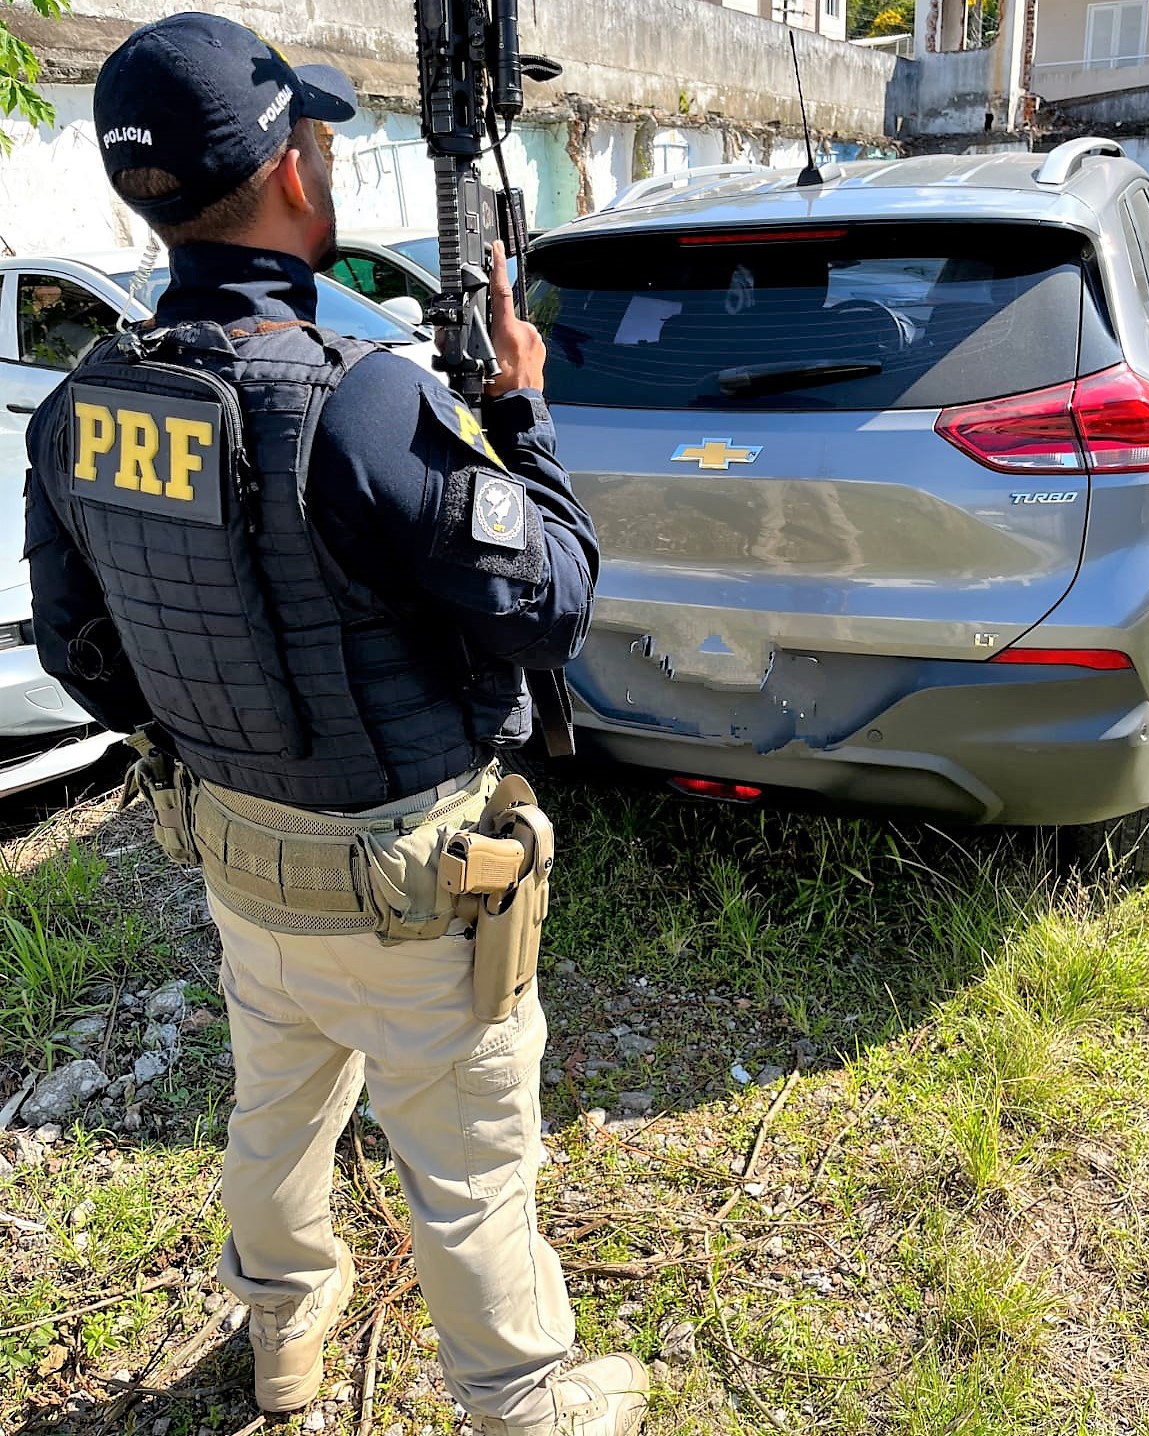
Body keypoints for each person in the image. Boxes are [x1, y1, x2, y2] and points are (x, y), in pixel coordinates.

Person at [23, 14, 649, 1435]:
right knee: (471, 1167)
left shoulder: (79, 405)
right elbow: (548, 603)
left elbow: (83, 657)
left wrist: (230, 716)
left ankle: (285, 1348)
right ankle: (524, 1400)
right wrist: (524, 415)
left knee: (274, 1117)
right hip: (414, 889)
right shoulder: (359, 400)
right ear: (297, 172)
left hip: (245, 871)